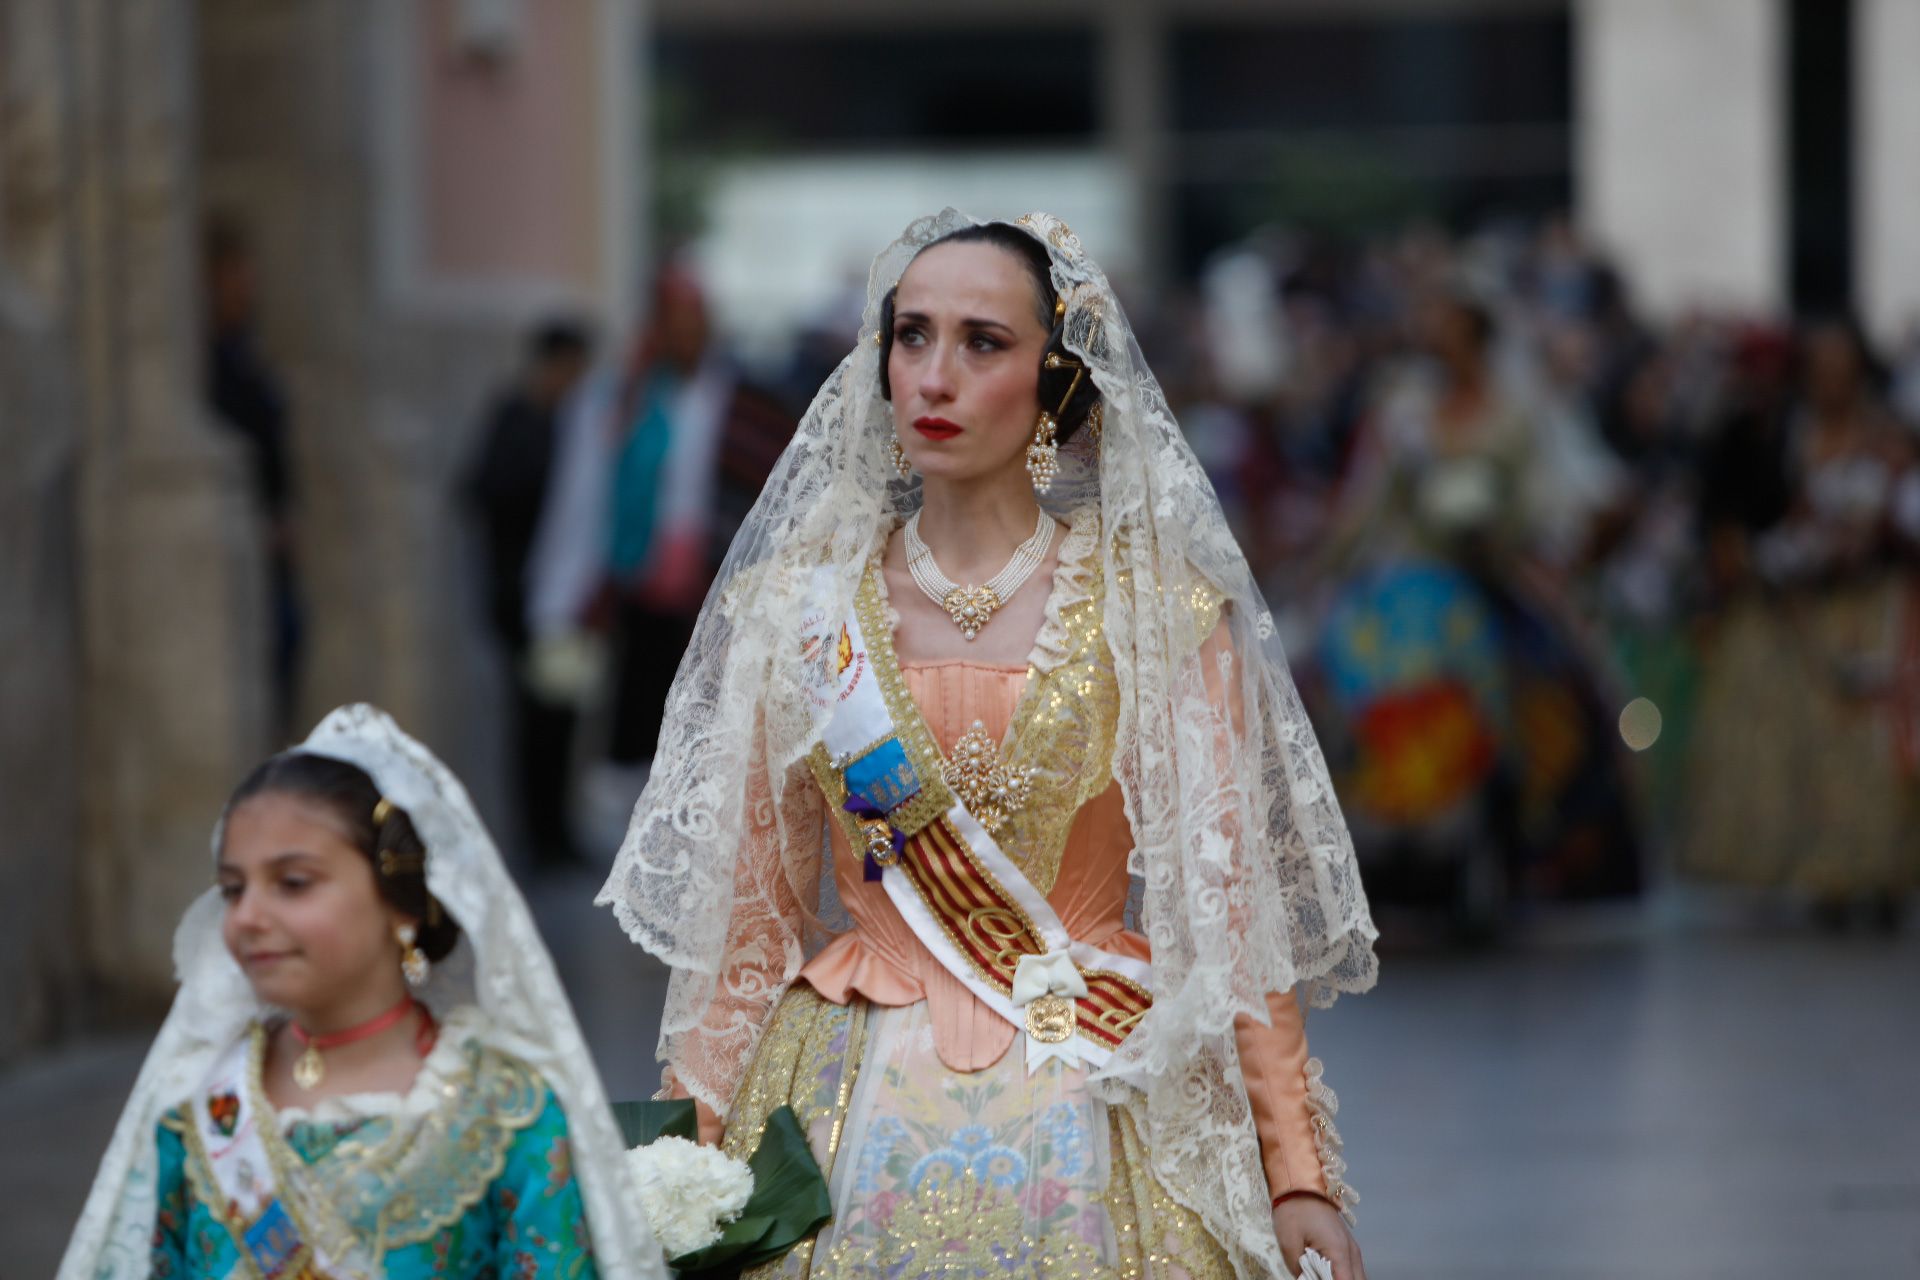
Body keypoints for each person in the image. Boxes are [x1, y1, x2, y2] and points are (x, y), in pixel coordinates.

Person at [598, 212, 1378, 1280]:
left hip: (1098, 1096)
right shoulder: (798, 615)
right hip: (843, 1105)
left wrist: (1296, 1171)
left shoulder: (1156, 613)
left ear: (1054, 378)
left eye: (982, 341)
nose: (934, 375)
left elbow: (1230, 911)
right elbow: (750, 927)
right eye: (910, 336)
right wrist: (678, 1166)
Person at [58, 704, 663, 1279]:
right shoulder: (200, 1104)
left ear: (400, 904)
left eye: (293, 883)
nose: (248, 917)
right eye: (234, 888)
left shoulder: (506, 1111)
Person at [463, 318, 595, 867]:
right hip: (522, 597)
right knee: (532, 723)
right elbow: (482, 492)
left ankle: (558, 832)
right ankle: (537, 837)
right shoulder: (517, 418)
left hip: (558, 597)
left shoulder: (567, 423)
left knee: (560, 717)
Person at [205, 214, 303, 737]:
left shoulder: (244, 352)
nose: (249, 284)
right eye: (236, 272)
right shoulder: (211, 362)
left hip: (272, 551)